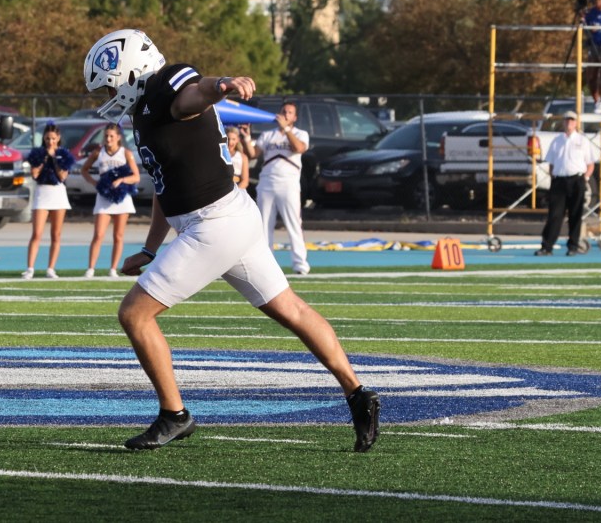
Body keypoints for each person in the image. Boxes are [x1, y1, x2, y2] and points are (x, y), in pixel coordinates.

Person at [83, 28, 380, 452]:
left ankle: (174, 414)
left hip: (215, 224)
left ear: (131, 70)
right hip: (227, 217)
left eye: (111, 82)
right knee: (291, 309)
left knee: (135, 314)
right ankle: (358, 394)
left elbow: (195, 92)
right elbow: (165, 190)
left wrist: (222, 86)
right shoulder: (144, 111)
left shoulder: (167, 84)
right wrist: (150, 248)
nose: (111, 93)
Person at [239, 102, 311, 275]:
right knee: (264, 225)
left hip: (289, 184)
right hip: (267, 183)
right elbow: (253, 154)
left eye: (290, 113)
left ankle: (300, 264)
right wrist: (247, 138)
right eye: (283, 111)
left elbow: (299, 148)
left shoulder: (301, 134)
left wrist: (286, 130)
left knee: (293, 224)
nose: (285, 114)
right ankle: (267, 265)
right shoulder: (268, 134)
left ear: (295, 117)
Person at [82, 123, 141, 278]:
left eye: (111, 136)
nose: (108, 139)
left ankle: (113, 269)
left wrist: (121, 180)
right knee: (99, 234)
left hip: (122, 198)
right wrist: (95, 183)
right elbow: (84, 169)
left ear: (118, 138)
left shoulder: (126, 153)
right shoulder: (98, 153)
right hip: (104, 197)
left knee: (118, 235)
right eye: (106, 136)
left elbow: (136, 176)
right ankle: (90, 269)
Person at [536, 111, 596, 257]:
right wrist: (554, 177)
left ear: (576, 123)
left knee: (575, 214)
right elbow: (551, 163)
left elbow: (590, 163)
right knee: (555, 214)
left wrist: (586, 178)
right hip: (559, 181)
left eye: (572, 120)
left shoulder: (582, 141)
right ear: (563, 122)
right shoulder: (557, 140)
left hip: (577, 180)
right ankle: (547, 246)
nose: (569, 123)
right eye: (567, 120)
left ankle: (573, 246)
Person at [21, 123, 74, 279]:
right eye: (47, 138)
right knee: (37, 233)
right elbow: (35, 174)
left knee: (56, 234)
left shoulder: (64, 154)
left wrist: (55, 159)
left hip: (58, 193)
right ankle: (30, 268)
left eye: (53, 138)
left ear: (58, 138)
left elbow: (63, 176)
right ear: (43, 138)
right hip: (42, 193)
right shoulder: (38, 153)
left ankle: (51, 268)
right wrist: (45, 158)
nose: (50, 141)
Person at [225, 126, 250, 190]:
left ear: (237, 140)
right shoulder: (218, 154)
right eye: (228, 139)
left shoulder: (243, 157)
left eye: (233, 139)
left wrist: (236, 192)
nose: (230, 142)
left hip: (237, 189)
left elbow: (245, 181)